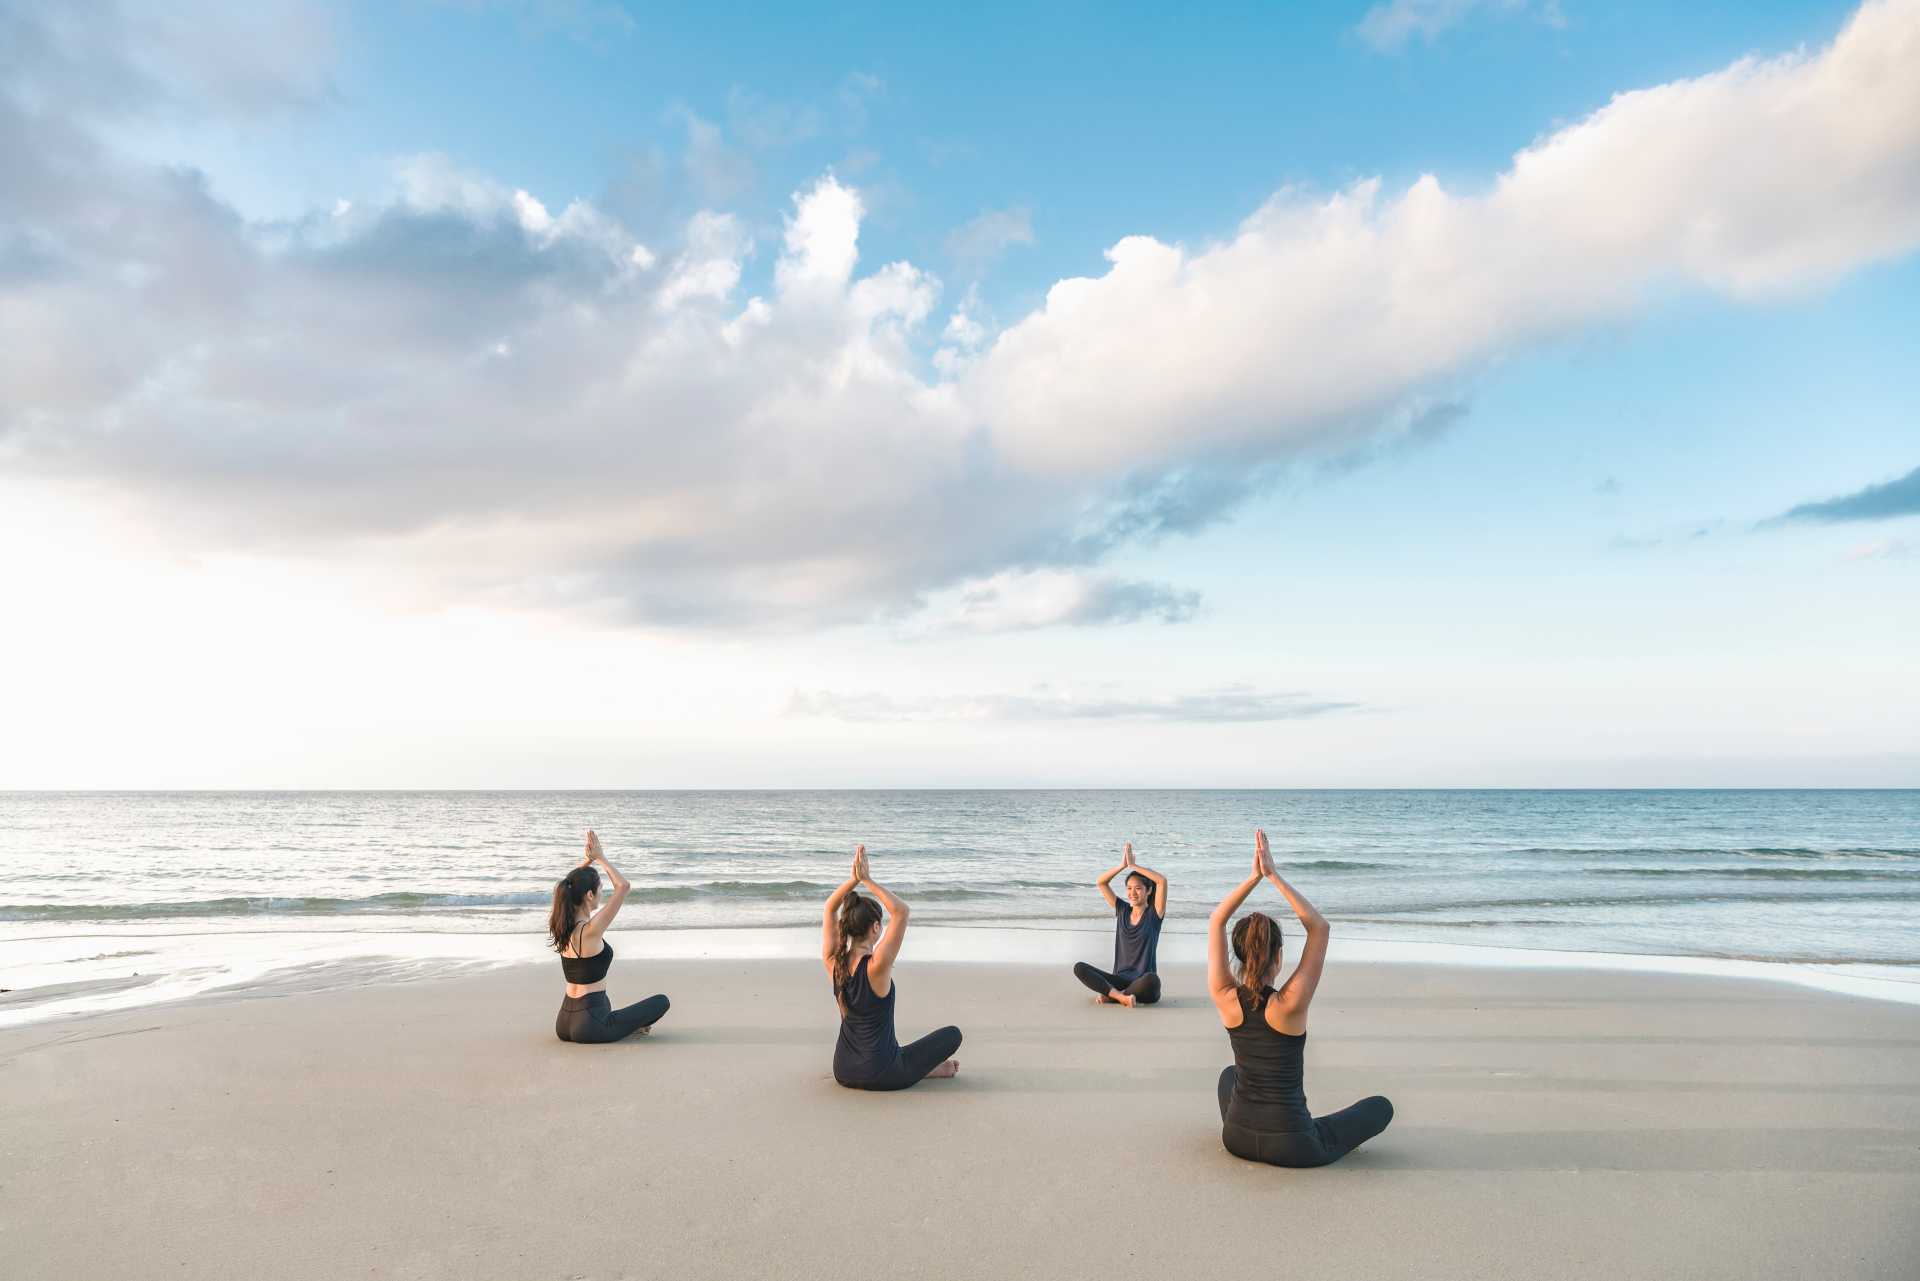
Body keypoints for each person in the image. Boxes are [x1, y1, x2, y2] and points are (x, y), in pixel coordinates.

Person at [1208, 829, 1392, 1167]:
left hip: (1236, 1138)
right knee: (1381, 1106)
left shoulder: (1224, 996)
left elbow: (1216, 921)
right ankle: (1323, 1125)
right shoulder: (1288, 1004)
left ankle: (1255, 1122)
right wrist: (1273, 875)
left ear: (1238, 954)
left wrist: (1253, 878)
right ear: (1279, 956)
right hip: (1293, 1146)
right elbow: (1319, 927)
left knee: (1229, 1074)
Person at [821, 845, 961, 1090]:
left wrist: (853, 881)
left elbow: (829, 908)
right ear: (875, 927)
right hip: (882, 1074)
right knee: (953, 1034)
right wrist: (867, 880)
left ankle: (925, 1068)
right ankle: (925, 1069)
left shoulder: (833, 962)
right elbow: (901, 911)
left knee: (893, 1048)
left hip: (842, 1070)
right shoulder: (876, 966)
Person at [550, 829, 670, 1044]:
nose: (601, 894)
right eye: (600, 889)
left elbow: (568, 884)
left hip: (564, 1022)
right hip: (590, 1026)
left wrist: (588, 862)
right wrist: (600, 858)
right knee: (662, 1002)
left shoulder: (562, 929)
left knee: (604, 1001)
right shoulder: (590, 930)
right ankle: (623, 1029)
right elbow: (623, 886)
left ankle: (618, 1026)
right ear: (590, 895)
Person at [1073, 842, 1167, 1006]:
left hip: (1143, 985)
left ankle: (1116, 995)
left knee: (1152, 979)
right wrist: (1122, 866)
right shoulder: (1122, 910)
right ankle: (1120, 996)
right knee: (1079, 968)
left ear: (1149, 890)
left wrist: (1134, 866)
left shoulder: (1154, 914)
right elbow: (1101, 882)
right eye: (1129, 888)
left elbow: (1162, 881)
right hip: (1119, 979)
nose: (1132, 893)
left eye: (1138, 888)